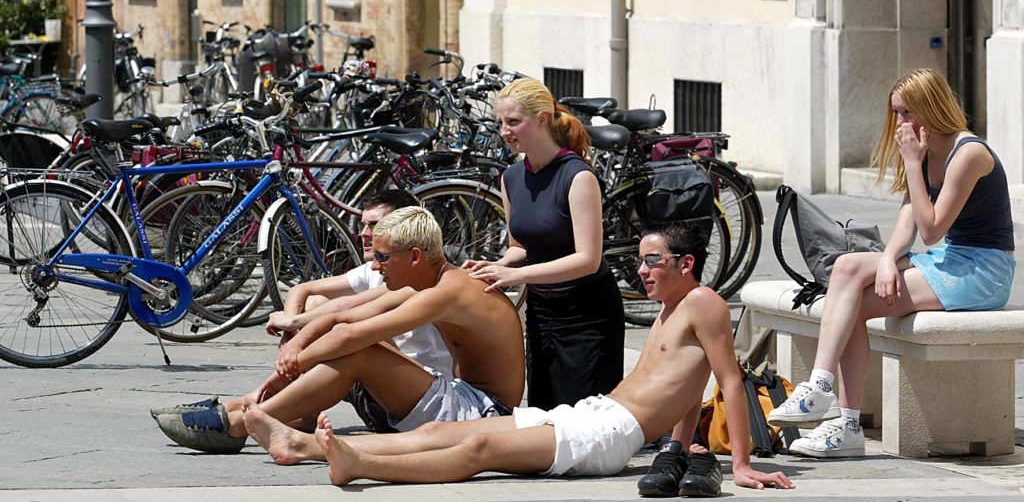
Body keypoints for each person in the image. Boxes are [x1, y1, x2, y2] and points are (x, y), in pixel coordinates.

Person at [240, 224, 793, 492]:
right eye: (641, 261)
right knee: (444, 434)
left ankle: (359, 464)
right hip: (594, 413)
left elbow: (726, 380)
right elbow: (681, 387)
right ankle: (305, 445)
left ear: (687, 262)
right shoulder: (676, 307)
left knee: (478, 444)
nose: (643, 271)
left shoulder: (704, 303)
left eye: (654, 261)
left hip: (608, 438)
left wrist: (739, 465)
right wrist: (680, 442)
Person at [768, 68, 1016, 457]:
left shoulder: (968, 153)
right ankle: (825, 394)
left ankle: (842, 419)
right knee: (849, 269)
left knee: (853, 304)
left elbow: (932, 228)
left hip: (982, 270)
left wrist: (914, 165)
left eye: (907, 113)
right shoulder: (920, 148)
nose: (900, 123)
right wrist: (887, 259)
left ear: (930, 108)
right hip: (948, 259)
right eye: (897, 112)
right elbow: (908, 215)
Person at [153, 207, 525, 458]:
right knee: (353, 341)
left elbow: (353, 337)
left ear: (414, 256)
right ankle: (256, 410)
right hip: (461, 397)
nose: (375, 266)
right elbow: (342, 317)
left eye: (382, 257)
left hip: (484, 412)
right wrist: (297, 341)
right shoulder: (429, 280)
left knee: (360, 350)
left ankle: (239, 423)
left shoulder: (449, 292)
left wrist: (295, 361)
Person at [464, 77, 624, 409]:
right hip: (542, 312)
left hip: (587, 314)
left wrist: (518, 276)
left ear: (540, 119)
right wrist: (499, 265)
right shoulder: (511, 177)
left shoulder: (578, 176)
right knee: (544, 416)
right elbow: (519, 245)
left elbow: (587, 259)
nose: (505, 131)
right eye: (501, 123)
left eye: (513, 122)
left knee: (585, 426)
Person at [266, 189, 453, 433]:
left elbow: (348, 310)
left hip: (413, 398)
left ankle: (249, 415)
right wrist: (290, 339)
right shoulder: (377, 268)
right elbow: (303, 290)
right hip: (378, 387)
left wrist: (294, 343)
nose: (363, 234)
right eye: (363, 224)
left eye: (374, 225)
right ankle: (286, 412)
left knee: (355, 334)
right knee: (317, 306)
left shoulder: (423, 280)